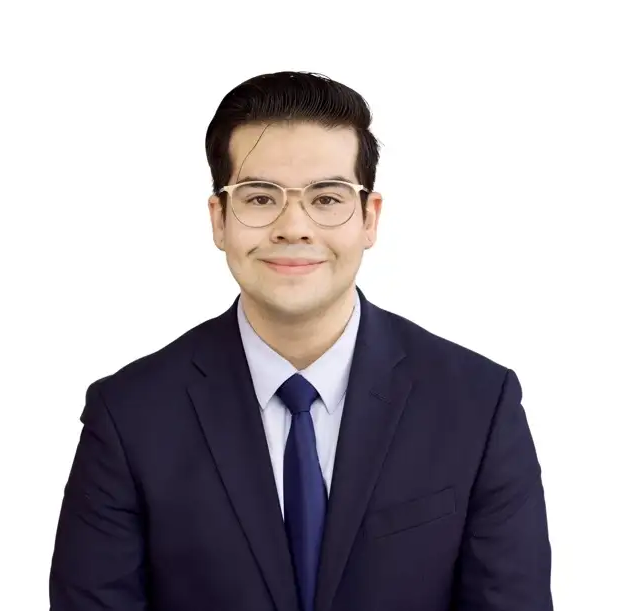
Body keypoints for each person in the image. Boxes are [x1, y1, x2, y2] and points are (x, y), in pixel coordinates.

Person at [49, 71, 553, 611]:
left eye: (327, 198)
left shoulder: (477, 403)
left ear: (369, 218)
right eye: (260, 198)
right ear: (219, 219)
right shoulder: (129, 414)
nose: (294, 226)